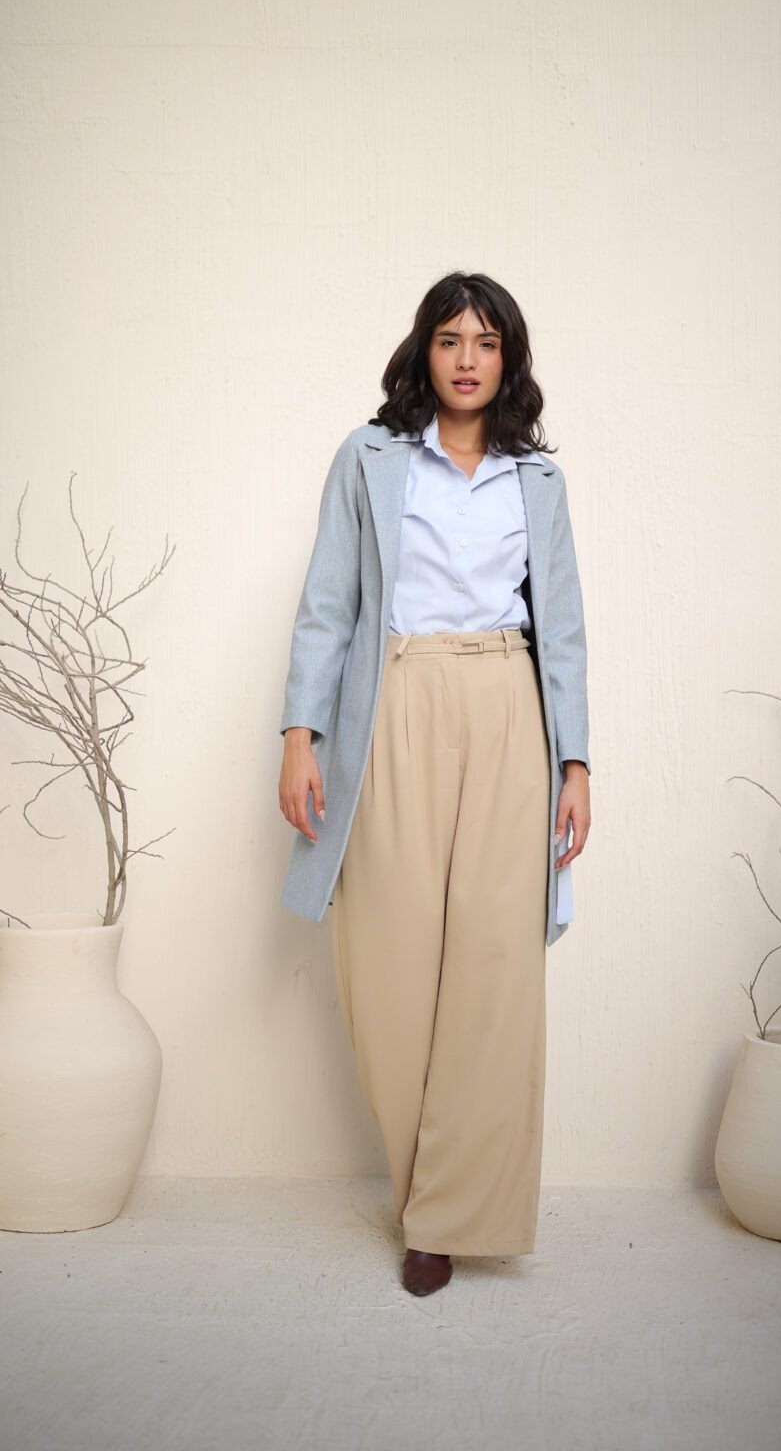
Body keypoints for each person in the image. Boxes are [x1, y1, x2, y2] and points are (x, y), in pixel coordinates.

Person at [277, 271, 591, 1297]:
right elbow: (328, 603)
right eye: (450, 338)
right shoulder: (369, 458)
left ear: (508, 360)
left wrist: (575, 762)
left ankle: (447, 1220)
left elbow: (563, 630)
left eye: (486, 342)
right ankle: (426, 1193)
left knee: (495, 962)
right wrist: (300, 735)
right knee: (391, 960)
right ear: (423, 350)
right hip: (395, 699)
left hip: (505, 702)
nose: (466, 358)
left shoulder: (535, 482)